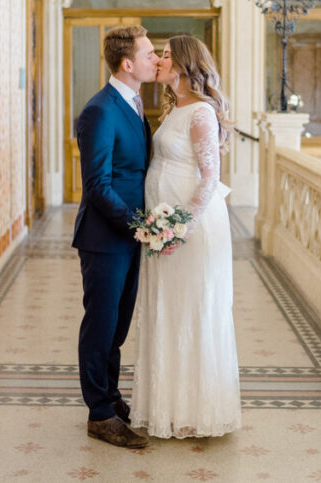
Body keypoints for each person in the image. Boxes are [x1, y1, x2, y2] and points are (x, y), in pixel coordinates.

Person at [130, 34, 241, 439]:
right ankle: (167, 406)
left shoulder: (201, 114)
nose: (159, 61)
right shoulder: (173, 108)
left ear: (184, 65)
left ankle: (198, 410)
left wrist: (181, 227)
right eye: (158, 55)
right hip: (165, 227)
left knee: (193, 310)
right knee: (166, 310)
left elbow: (210, 178)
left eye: (165, 56)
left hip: (190, 230)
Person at [72, 24, 158, 449]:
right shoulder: (100, 110)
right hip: (106, 237)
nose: (155, 60)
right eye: (148, 54)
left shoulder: (135, 103)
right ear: (128, 63)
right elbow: (97, 184)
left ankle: (111, 395)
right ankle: (99, 414)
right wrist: (136, 224)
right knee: (101, 326)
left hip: (130, 235)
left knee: (119, 325)